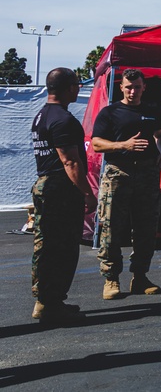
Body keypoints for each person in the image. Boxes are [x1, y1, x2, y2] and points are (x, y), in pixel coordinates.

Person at [29, 67, 98, 323]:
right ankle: (51, 303)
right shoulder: (63, 120)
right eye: (77, 85)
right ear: (70, 87)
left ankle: (45, 300)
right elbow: (70, 161)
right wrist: (88, 194)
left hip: (47, 185)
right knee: (63, 248)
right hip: (61, 189)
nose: (79, 88)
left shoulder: (41, 115)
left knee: (46, 246)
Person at [91, 69, 161, 300]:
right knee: (112, 227)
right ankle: (111, 278)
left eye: (137, 87)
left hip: (147, 174)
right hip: (118, 174)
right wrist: (123, 145)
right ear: (121, 87)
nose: (133, 91)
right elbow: (96, 143)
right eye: (128, 87)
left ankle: (140, 277)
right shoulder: (110, 112)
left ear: (144, 87)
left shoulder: (152, 111)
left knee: (145, 228)